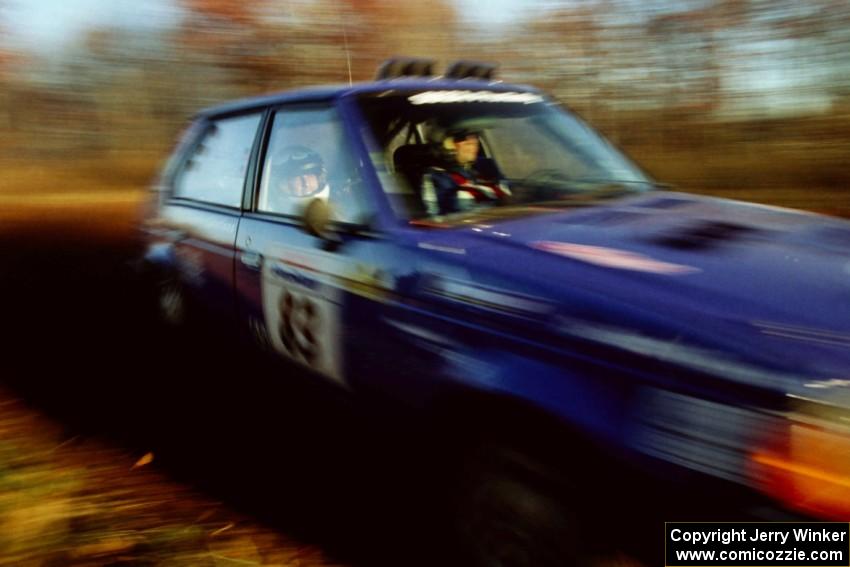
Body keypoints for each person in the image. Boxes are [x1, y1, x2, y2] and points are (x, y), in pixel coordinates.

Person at [421, 124, 511, 216]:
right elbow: (433, 217)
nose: (475, 144)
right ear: (448, 146)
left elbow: (507, 193)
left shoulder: (487, 166)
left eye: (475, 138)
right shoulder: (437, 176)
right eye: (466, 141)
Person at [266, 145, 330, 214]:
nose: (306, 183)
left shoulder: (338, 214)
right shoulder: (268, 210)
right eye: (295, 176)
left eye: (310, 173)